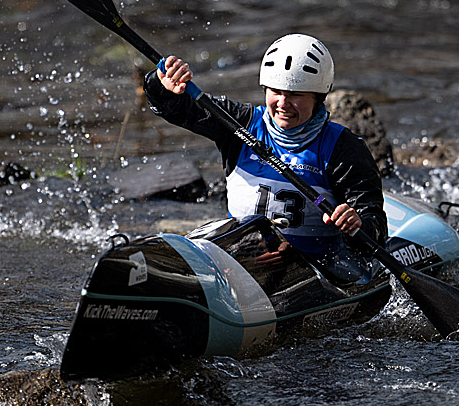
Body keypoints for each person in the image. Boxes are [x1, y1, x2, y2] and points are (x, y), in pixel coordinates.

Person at [143, 33, 387, 283]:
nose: (283, 103)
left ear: (317, 96)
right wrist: (160, 85)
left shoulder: (343, 148)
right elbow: (177, 109)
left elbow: (375, 228)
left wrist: (356, 224)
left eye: (295, 95)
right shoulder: (240, 123)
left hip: (317, 272)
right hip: (246, 263)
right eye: (276, 92)